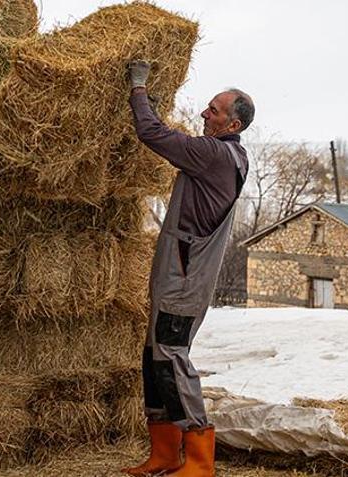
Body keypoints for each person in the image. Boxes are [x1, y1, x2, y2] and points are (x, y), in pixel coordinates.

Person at [121, 60, 254, 477]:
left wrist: (139, 90)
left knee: (171, 357)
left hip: (185, 278)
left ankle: (199, 459)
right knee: (154, 356)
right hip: (177, 274)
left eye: (213, 110)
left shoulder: (215, 154)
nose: (203, 113)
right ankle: (164, 452)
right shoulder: (223, 154)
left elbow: (154, 135)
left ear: (231, 125)